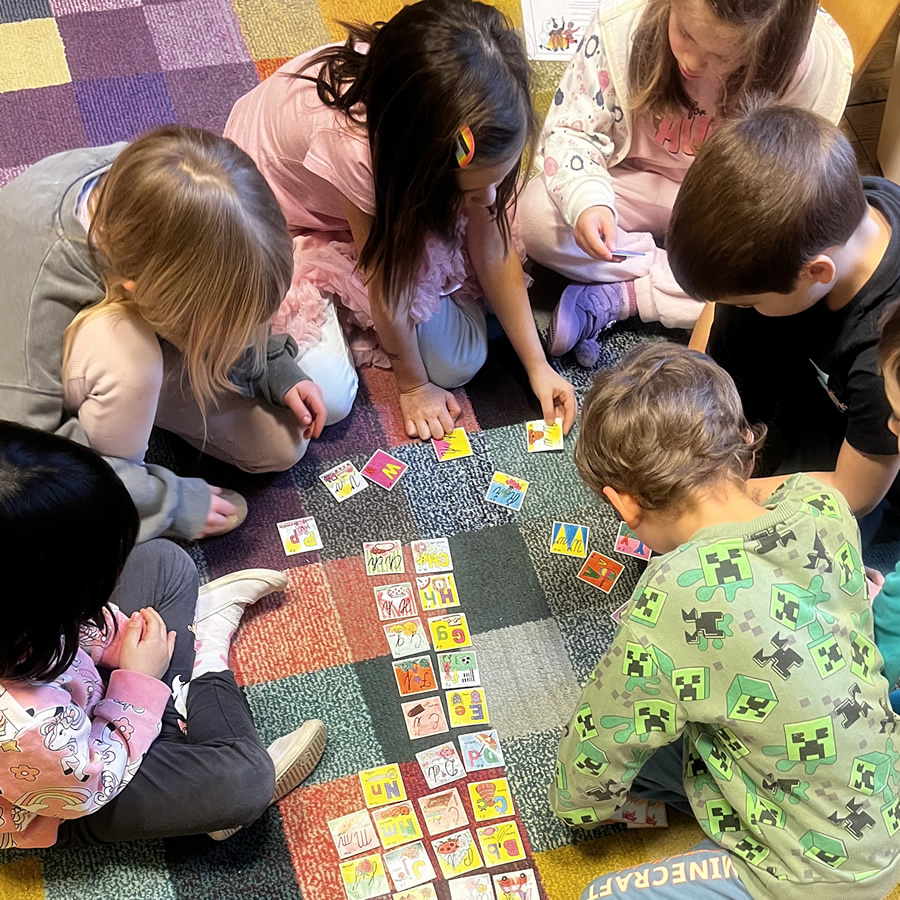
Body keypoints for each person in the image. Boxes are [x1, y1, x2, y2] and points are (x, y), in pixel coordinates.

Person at [552, 341, 899, 900]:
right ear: (747, 449)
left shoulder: (669, 593)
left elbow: (603, 738)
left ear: (624, 504)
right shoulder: (823, 504)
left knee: (601, 894)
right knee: (675, 737)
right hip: (886, 803)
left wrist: (575, 808)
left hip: (815, 879)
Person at [225, 0, 576, 441]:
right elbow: (384, 280)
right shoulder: (357, 146)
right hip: (275, 220)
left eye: (496, 181)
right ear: (421, 164)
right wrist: (413, 386)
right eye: (472, 190)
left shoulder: (464, 116)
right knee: (333, 395)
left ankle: (421, 310)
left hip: (370, 190)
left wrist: (538, 366)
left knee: (458, 358)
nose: (489, 200)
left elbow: (492, 241)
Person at [0, 125, 358, 543]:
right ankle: (123, 486)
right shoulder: (37, 292)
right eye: (218, 329)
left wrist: (272, 364)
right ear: (145, 294)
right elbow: (22, 464)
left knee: (287, 440)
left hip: (138, 313)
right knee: (128, 356)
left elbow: (220, 289)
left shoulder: (173, 193)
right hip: (34, 388)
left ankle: (136, 408)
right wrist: (162, 501)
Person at [0, 421, 326, 848]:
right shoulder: (27, 726)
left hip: (56, 684)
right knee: (244, 782)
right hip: (63, 793)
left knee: (163, 562)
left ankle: (171, 724)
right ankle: (206, 663)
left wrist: (118, 639)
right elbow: (88, 784)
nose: (113, 578)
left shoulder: (21, 612)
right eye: (93, 586)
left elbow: (74, 624)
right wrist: (139, 682)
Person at [518, 0, 852, 365]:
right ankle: (676, 284)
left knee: (788, 285)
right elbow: (569, 133)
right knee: (534, 217)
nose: (691, 63)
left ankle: (630, 294)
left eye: (722, 56)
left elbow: (788, 199)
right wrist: (588, 199)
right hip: (628, 181)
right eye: (684, 32)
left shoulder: (812, 69)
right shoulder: (621, 23)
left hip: (721, 208)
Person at [668, 104, 900, 522]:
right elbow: (719, 306)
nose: (734, 306)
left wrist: (722, 494)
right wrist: (691, 393)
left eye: (748, 300)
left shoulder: (880, 362)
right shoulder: (834, 203)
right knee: (731, 335)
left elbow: (855, 492)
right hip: (816, 361)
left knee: (794, 535)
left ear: (818, 272)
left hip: (863, 442)